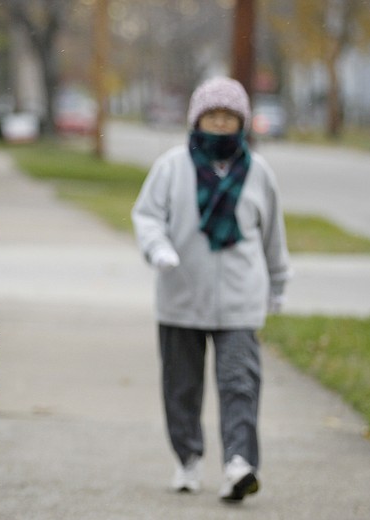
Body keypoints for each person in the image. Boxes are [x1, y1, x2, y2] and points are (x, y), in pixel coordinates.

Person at [131, 76, 291, 502]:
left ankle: (239, 464)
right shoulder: (171, 167)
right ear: (196, 120)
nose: (220, 124)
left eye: (229, 117)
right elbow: (147, 216)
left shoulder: (258, 173)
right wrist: (158, 248)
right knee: (181, 387)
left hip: (241, 300)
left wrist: (278, 282)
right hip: (180, 296)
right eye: (212, 116)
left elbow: (273, 232)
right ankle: (188, 458)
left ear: (242, 123)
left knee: (240, 383)